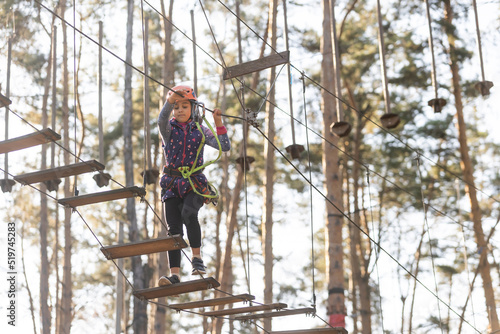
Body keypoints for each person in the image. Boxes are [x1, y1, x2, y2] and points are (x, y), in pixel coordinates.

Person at [157, 85, 231, 286]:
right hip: (171, 184)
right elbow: (161, 120)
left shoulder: (200, 130)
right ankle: (174, 275)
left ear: (194, 108)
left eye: (184, 106)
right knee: (173, 230)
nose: (180, 110)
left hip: (194, 183)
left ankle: (196, 258)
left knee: (189, 214)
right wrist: (169, 101)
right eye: (176, 107)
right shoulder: (169, 130)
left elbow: (224, 146)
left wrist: (218, 123)